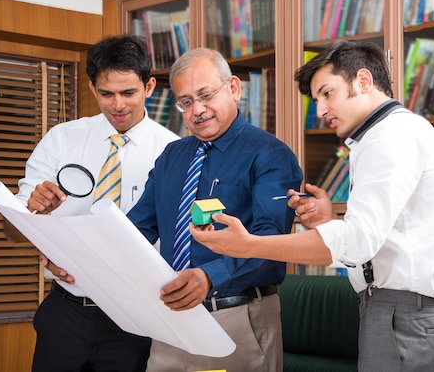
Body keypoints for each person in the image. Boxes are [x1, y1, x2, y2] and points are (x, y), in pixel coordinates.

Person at [191, 40, 434, 371]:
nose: (321, 109)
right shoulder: (381, 136)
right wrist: (330, 220)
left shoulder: (390, 136)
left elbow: (355, 242)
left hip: (411, 318)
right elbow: (385, 235)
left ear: (364, 81)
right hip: (402, 314)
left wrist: (249, 245)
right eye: (316, 100)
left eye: (328, 93)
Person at [3, 34, 179, 372]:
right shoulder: (61, 139)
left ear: (150, 86)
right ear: (91, 87)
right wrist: (32, 210)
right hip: (66, 310)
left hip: (136, 315)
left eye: (129, 93)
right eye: (106, 93)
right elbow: (13, 232)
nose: (118, 105)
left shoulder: (173, 152)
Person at [126, 47, 303, 371]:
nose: (198, 110)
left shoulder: (270, 154)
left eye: (206, 95)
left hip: (236, 317)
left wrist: (210, 276)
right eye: (187, 101)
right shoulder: (171, 156)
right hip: (170, 319)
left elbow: (272, 241)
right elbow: (136, 227)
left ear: (233, 88)